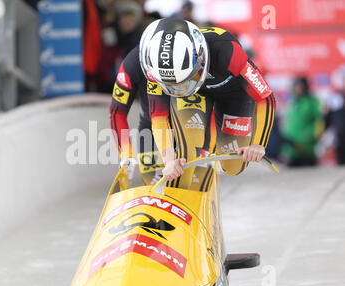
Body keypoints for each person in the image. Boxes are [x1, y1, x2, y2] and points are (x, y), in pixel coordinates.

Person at [139, 18, 276, 188]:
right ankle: (179, 199)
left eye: (181, 80)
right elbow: (158, 117)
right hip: (196, 93)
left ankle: (212, 151)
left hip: (234, 96)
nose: (177, 86)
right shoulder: (153, 69)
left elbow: (265, 97)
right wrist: (168, 161)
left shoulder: (228, 52)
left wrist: (258, 144)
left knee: (233, 166)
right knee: (187, 151)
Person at [109, 45, 213, 188]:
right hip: (152, 129)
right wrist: (126, 154)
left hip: (191, 125)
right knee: (155, 186)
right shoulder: (132, 64)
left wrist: (210, 144)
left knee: (191, 186)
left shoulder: (196, 58)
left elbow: (214, 100)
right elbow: (117, 112)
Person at [280, 77, 324, 167]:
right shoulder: (292, 103)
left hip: (306, 149)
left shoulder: (312, 102)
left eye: (300, 86)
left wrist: (310, 135)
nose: (297, 89)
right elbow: (287, 122)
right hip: (291, 149)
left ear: (305, 87)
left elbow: (319, 122)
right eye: (295, 86)